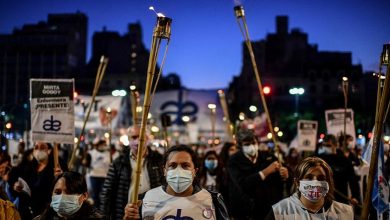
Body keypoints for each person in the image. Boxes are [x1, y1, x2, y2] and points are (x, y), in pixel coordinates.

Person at [123, 145, 229, 219]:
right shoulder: (145, 199)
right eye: (172, 166)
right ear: (164, 171)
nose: (179, 171)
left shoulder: (213, 200)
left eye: (185, 165)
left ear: (195, 171)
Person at [99, 126, 165, 220]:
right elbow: (107, 192)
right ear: (129, 139)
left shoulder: (158, 160)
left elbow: (165, 185)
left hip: (152, 212)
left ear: (147, 138)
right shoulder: (119, 162)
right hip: (126, 213)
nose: (138, 141)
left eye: (141, 137)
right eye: (133, 137)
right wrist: (104, 216)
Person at [227, 129, 290, 219]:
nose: (251, 146)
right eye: (247, 144)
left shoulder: (269, 157)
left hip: (268, 210)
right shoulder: (234, 161)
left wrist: (285, 175)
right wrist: (266, 171)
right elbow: (243, 184)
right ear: (241, 146)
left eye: (253, 142)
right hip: (245, 212)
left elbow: (283, 178)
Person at [266, 156, 354, 219]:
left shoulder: (345, 212)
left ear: (328, 182)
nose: (315, 182)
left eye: (321, 178)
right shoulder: (280, 211)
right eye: (309, 177)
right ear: (297, 182)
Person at [17, 142, 67, 216]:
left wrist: (60, 178)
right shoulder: (29, 167)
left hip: (47, 212)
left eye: (42, 147)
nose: (39, 150)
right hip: (29, 212)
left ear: (49, 150)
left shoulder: (57, 166)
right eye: (36, 147)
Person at [33, 171, 103, 219]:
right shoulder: (42, 218)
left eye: (69, 192)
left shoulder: (95, 217)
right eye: (57, 192)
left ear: (84, 196)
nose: (61, 197)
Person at [316, 134, 360, 206]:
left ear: (335, 145)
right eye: (324, 145)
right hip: (320, 199)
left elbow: (353, 179)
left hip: (340, 199)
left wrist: (355, 196)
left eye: (328, 146)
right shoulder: (317, 159)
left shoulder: (344, 160)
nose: (325, 148)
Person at [84, 139, 111, 208]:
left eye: (104, 145)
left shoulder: (108, 153)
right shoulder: (91, 153)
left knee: (103, 194)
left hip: (105, 176)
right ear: (98, 145)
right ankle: (96, 208)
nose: (103, 146)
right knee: (95, 194)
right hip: (94, 176)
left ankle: (102, 208)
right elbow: (86, 163)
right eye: (102, 144)